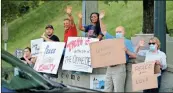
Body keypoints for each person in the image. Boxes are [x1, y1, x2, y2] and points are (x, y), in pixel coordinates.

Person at [100, 15, 136, 92]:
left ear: (124, 32)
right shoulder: (113, 39)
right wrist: (100, 19)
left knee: (118, 90)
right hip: (109, 67)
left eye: (120, 32)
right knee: (107, 89)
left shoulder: (127, 41)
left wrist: (126, 51)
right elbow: (103, 31)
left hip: (119, 67)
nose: (118, 33)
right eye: (116, 32)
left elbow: (134, 55)